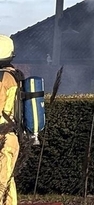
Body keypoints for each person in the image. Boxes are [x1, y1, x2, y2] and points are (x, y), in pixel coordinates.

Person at [0, 35, 19, 205]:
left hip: (2, 138)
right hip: (10, 136)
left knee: (2, 184)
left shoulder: (2, 79)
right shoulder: (13, 75)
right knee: (6, 181)